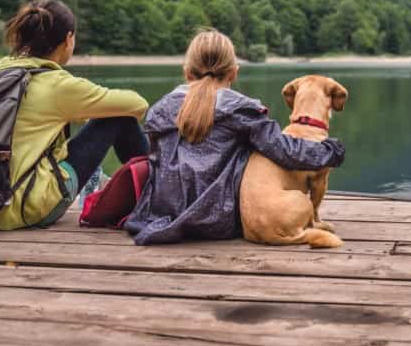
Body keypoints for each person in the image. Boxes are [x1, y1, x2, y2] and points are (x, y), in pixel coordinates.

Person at [125, 29, 345, 245]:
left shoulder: (159, 111)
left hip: (163, 216)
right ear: (233, 73)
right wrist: (331, 151)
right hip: (220, 221)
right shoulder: (242, 111)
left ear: (187, 72)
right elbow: (285, 151)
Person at [0, 0, 148, 230]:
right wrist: (91, 113)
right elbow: (137, 104)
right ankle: (159, 192)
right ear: (69, 39)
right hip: (24, 208)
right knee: (120, 116)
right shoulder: (56, 84)